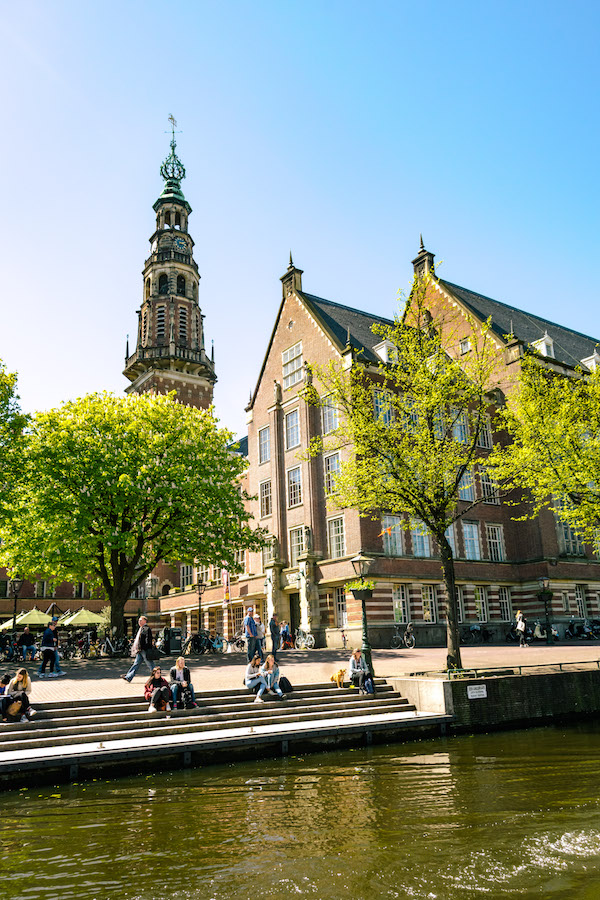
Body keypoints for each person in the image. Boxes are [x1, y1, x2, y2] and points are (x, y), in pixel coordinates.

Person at [121, 616, 153, 682]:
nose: (139, 622)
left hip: (144, 650)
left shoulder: (146, 628)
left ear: (145, 621)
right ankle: (128, 677)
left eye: (141, 620)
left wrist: (146, 648)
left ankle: (157, 677)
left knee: (150, 664)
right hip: (139, 649)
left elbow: (148, 639)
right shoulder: (140, 629)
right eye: (139, 620)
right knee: (136, 663)